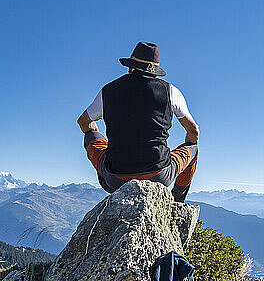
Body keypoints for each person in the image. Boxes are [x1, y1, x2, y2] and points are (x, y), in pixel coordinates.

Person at [77, 42, 199, 202]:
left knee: (91, 137)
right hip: (159, 175)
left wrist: (95, 130)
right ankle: (177, 202)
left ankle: (106, 181)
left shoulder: (108, 91)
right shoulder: (170, 92)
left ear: (130, 68)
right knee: (193, 149)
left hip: (116, 178)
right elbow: (193, 132)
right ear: (155, 73)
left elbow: (83, 122)